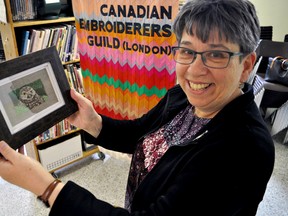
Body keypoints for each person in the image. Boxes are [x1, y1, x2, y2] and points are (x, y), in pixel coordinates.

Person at [0, 0, 275, 215]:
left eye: (216, 54)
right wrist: (92, 121)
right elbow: (140, 133)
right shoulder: (183, 96)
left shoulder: (245, 148)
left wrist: (46, 187)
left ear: (246, 65)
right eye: (187, 50)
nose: (194, 69)